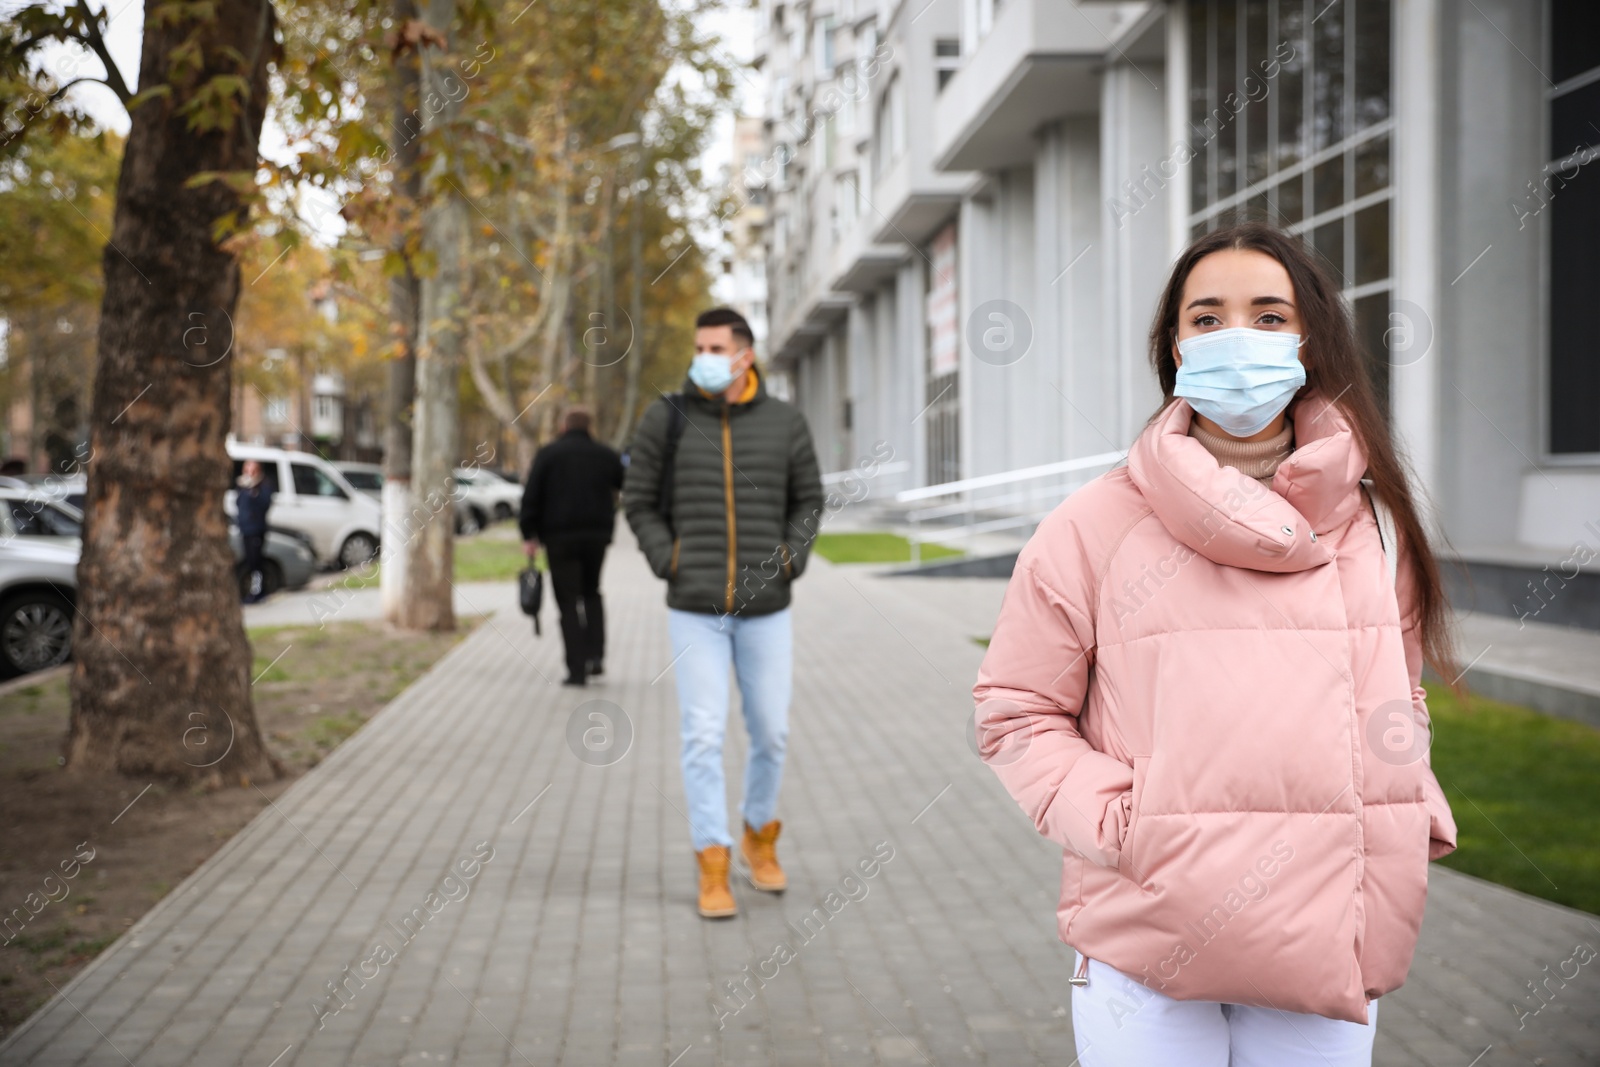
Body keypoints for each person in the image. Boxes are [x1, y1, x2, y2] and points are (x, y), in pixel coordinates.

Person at [973, 223, 1458, 1066]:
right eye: (1209, 317)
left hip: (1327, 935)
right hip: (1146, 940)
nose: (1239, 337)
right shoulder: (1090, 527)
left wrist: (1398, 802)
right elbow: (1016, 711)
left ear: (1311, 340)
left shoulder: (1377, 526)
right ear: (1174, 348)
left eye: (1269, 317)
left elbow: (1398, 692)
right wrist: (1130, 825)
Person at [623, 307, 824, 919]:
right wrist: (670, 558)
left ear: (744, 354)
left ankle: (758, 837)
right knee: (703, 732)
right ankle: (712, 860)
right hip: (696, 606)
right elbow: (637, 499)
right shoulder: (669, 417)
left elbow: (809, 501)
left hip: (767, 607)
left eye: (714, 346)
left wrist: (790, 560)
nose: (702, 357)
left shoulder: (785, 422)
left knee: (771, 730)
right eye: (698, 345)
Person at [520, 406, 625, 686]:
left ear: (563, 426)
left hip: (559, 538)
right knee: (592, 593)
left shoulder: (548, 455)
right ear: (590, 427)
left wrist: (529, 534)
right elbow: (625, 484)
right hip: (596, 537)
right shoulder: (605, 454)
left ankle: (576, 670)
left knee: (567, 602)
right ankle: (596, 657)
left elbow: (531, 496)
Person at [236, 460, 274, 604]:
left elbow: (264, 504)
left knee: (256, 562)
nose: (248, 472)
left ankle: (258, 591)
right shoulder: (241, 487)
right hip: (245, 529)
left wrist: (253, 491)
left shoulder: (262, 486)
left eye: (251, 469)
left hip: (256, 529)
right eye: (246, 469)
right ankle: (252, 590)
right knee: (249, 562)